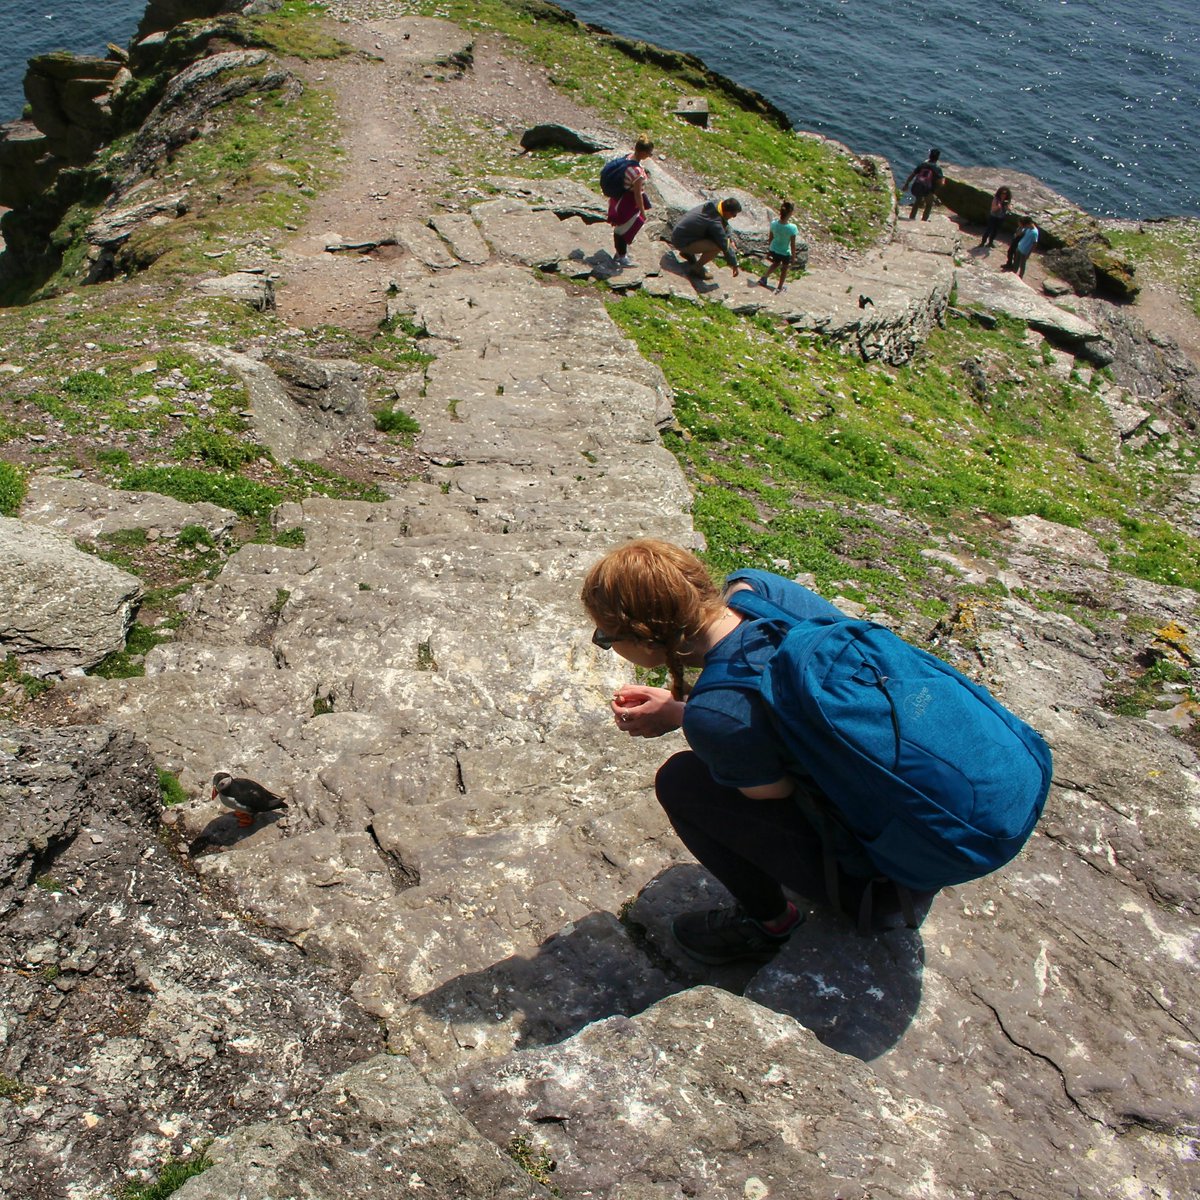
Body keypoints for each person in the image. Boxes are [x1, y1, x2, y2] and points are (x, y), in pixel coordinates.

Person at [581, 539, 934, 966]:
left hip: (885, 886)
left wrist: (694, 717)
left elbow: (772, 792)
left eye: (607, 636)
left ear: (645, 638)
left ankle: (771, 923)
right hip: (924, 806)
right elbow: (776, 694)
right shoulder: (761, 592)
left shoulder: (717, 718)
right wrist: (687, 706)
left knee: (681, 783)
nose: (606, 641)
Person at [606, 137, 653, 268]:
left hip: (618, 198)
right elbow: (638, 195)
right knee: (622, 230)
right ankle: (621, 257)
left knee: (620, 228)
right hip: (628, 203)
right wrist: (643, 213)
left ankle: (620, 253)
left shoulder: (628, 158)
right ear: (643, 153)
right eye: (649, 153)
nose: (650, 155)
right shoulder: (637, 173)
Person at [670, 197, 742, 282]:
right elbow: (724, 244)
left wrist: (729, 237)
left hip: (680, 235)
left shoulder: (716, 205)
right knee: (717, 246)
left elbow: (724, 225)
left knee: (715, 237)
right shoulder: (714, 221)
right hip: (681, 242)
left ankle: (687, 253)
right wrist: (734, 264)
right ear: (727, 211)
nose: (734, 217)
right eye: (733, 214)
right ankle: (696, 268)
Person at [759, 200, 798, 292]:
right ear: (791, 213)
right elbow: (792, 244)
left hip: (774, 249)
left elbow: (770, 238)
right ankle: (780, 287)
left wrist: (769, 250)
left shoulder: (773, 224)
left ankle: (764, 278)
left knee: (775, 263)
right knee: (784, 269)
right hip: (785, 252)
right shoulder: (792, 228)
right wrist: (793, 257)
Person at [902, 147, 943, 221]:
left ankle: (912, 217)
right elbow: (941, 183)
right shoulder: (937, 168)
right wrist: (936, 191)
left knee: (917, 202)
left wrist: (906, 184)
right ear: (937, 158)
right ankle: (924, 220)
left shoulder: (922, 165)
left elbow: (912, 175)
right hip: (928, 189)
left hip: (918, 186)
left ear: (929, 156)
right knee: (929, 204)